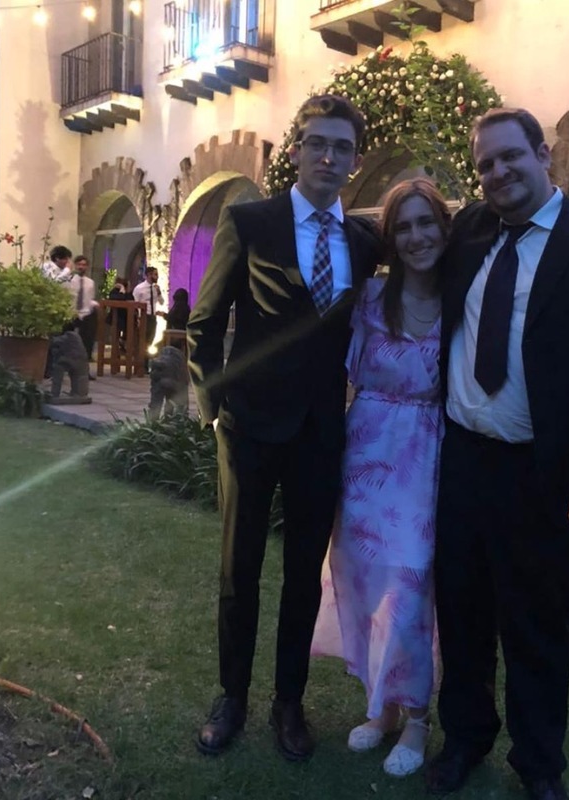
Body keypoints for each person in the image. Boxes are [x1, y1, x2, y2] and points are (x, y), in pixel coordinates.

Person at [425, 108, 569, 800]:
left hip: (546, 470)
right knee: (461, 612)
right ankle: (465, 737)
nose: (498, 173)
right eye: (485, 165)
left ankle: (539, 763)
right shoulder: (471, 229)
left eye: (509, 157)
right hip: (462, 459)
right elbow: (402, 236)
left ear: (543, 154)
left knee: (538, 624)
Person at [187, 94, 382, 762]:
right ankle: (231, 697)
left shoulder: (364, 242)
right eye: (318, 143)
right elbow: (205, 320)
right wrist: (212, 404)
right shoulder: (249, 221)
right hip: (247, 427)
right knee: (238, 571)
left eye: (342, 147)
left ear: (355, 161)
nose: (329, 156)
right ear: (296, 151)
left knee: (304, 575)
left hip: (321, 432)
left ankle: (288, 703)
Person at [311, 178, 449, 777]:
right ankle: (382, 707)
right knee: (364, 580)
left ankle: (417, 717)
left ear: (443, 228)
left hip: (426, 455)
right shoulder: (368, 297)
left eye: (426, 223)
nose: (416, 237)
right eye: (404, 227)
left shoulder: (464, 298)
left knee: (411, 586)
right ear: (391, 239)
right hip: (366, 451)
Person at [68, 255, 98, 365]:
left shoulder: (90, 282)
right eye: (79, 264)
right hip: (72, 312)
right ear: (75, 265)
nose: (81, 267)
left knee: (88, 337)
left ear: (87, 267)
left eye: (84, 265)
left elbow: (90, 298)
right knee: (68, 337)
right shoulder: (69, 280)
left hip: (86, 312)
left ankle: (85, 360)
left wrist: (94, 304)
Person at [132, 266, 165, 349]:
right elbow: (135, 302)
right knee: (142, 338)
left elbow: (162, 302)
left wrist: (159, 292)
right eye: (155, 274)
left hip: (152, 316)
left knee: (151, 337)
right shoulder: (139, 288)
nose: (157, 277)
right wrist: (138, 317)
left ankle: (146, 354)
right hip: (144, 316)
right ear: (149, 275)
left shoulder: (156, 288)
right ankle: (140, 355)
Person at [107, 277, 134, 353]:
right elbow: (119, 299)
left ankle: (123, 346)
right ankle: (115, 352)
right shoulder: (114, 292)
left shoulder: (128, 293)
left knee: (127, 333)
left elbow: (131, 300)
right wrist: (122, 290)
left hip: (126, 318)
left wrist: (126, 292)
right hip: (116, 317)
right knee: (115, 335)